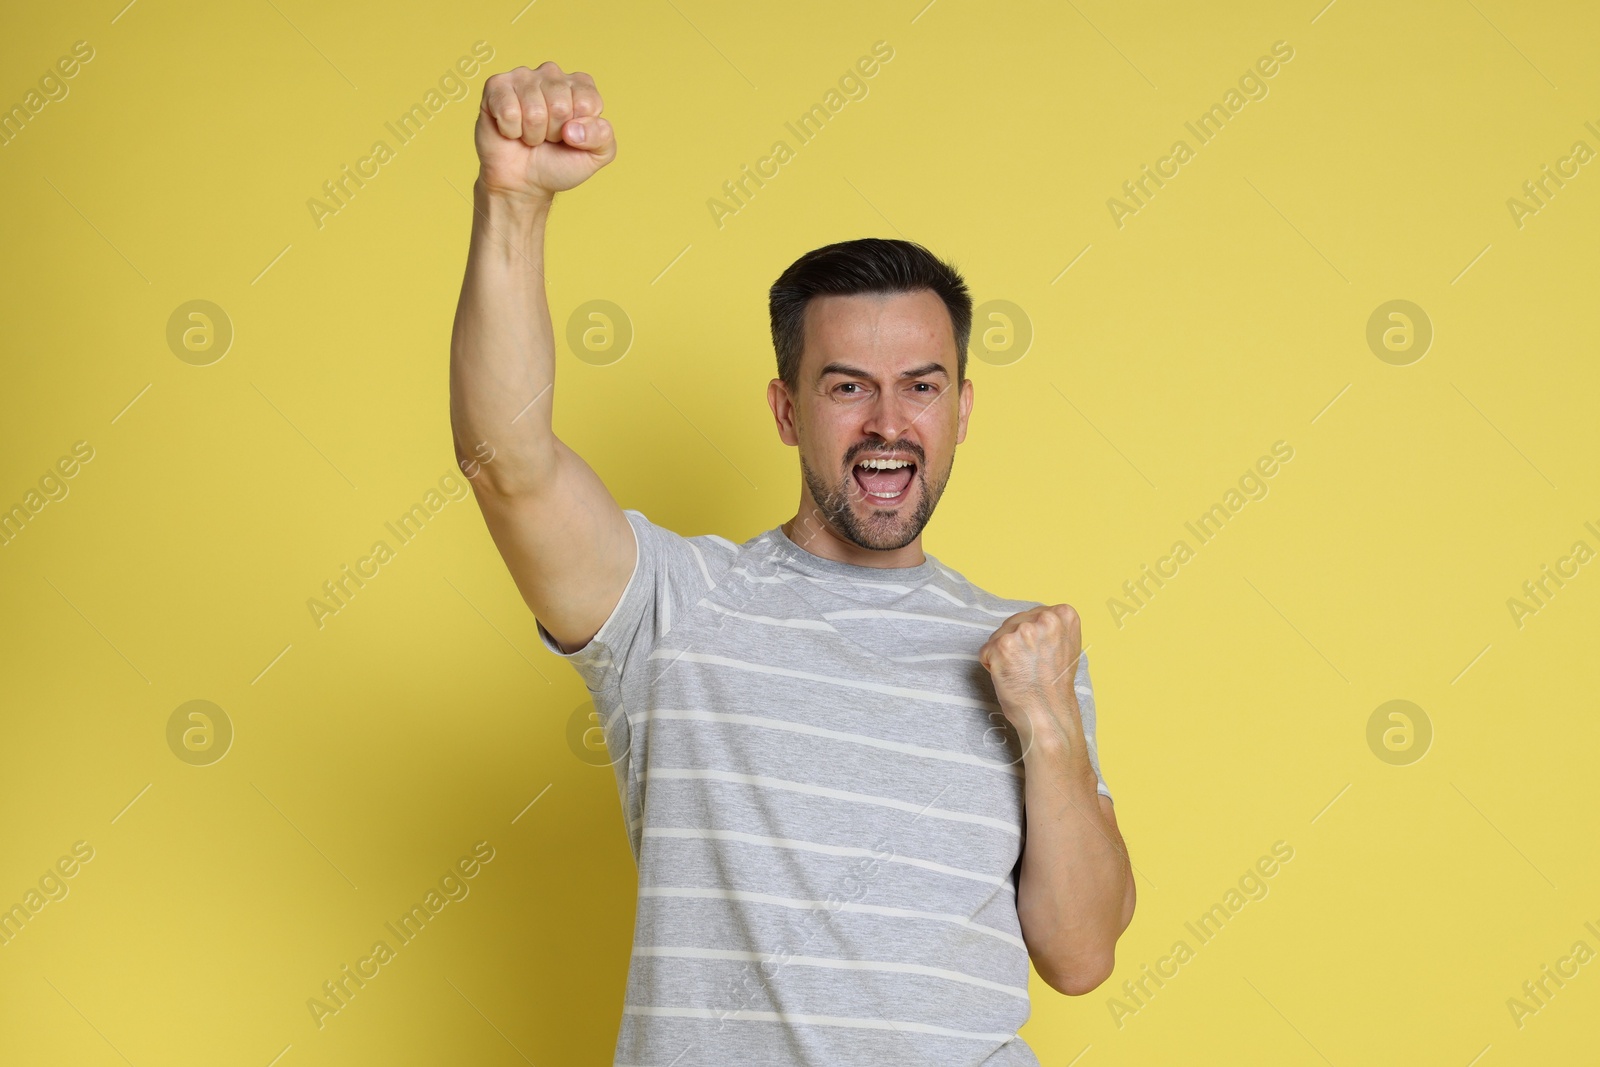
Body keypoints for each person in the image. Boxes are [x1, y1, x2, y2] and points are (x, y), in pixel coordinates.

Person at [450, 61, 1135, 1067]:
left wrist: (1046, 724)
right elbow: (505, 462)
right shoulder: (674, 608)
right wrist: (511, 202)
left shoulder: (1025, 649)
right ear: (785, 409)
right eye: (847, 386)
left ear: (961, 409)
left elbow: (1079, 951)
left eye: (921, 386)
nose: (888, 425)